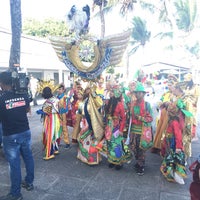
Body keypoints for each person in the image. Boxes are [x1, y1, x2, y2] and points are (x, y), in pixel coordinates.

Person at [0, 71, 34, 200]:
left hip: (10, 135)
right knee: (28, 158)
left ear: (2, 83)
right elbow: (26, 110)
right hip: (25, 131)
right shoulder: (23, 95)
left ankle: (16, 194)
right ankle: (29, 183)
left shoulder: (2, 99)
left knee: (14, 164)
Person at [104, 84, 131, 170]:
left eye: (112, 91)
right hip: (109, 126)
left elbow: (123, 118)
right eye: (111, 91)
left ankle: (118, 162)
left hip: (116, 127)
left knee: (117, 144)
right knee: (110, 143)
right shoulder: (108, 102)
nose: (111, 93)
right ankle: (112, 160)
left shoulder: (120, 104)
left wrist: (121, 129)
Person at [76, 82, 104, 165]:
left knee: (91, 141)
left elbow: (100, 104)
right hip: (84, 122)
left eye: (89, 89)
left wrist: (94, 94)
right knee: (82, 139)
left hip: (92, 123)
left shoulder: (95, 98)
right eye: (87, 89)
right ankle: (84, 157)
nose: (87, 90)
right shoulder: (85, 99)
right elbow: (81, 110)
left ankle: (92, 159)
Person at [129, 82, 153, 176]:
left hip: (142, 130)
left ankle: (141, 165)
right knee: (134, 147)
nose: (137, 94)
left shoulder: (147, 105)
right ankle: (138, 161)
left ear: (143, 94)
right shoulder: (133, 104)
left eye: (139, 93)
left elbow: (150, 118)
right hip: (134, 129)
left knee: (141, 149)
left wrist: (140, 118)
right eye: (136, 93)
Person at [160, 102, 187, 185]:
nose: (167, 113)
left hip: (172, 142)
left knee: (172, 157)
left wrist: (178, 146)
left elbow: (178, 135)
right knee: (169, 156)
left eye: (168, 112)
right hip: (169, 141)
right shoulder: (172, 120)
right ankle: (170, 172)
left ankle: (174, 173)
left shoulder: (174, 122)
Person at [151, 74, 177, 154]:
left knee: (165, 130)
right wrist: (161, 103)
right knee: (159, 129)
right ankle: (157, 146)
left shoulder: (176, 96)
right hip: (162, 114)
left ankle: (164, 148)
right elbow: (160, 101)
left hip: (169, 115)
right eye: (168, 85)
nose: (169, 87)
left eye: (171, 85)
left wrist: (168, 104)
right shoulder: (166, 94)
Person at [39, 87, 62, 160]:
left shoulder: (48, 102)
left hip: (50, 119)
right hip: (56, 118)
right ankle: (55, 149)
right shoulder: (56, 99)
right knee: (54, 134)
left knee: (49, 135)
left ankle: (49, 153)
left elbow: (46, 111)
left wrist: (42, 111)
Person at [56, 83, 70, 149]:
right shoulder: (57, 97)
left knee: (64, 128)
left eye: (60, 89)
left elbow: (67, 106)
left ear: (63, 90)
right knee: (58, 127)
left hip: (63, 114)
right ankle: (58, 141)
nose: (59, 90)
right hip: (58, 114)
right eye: (58, 89)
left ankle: (67, 143)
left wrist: (65, 111)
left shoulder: (65, 97)